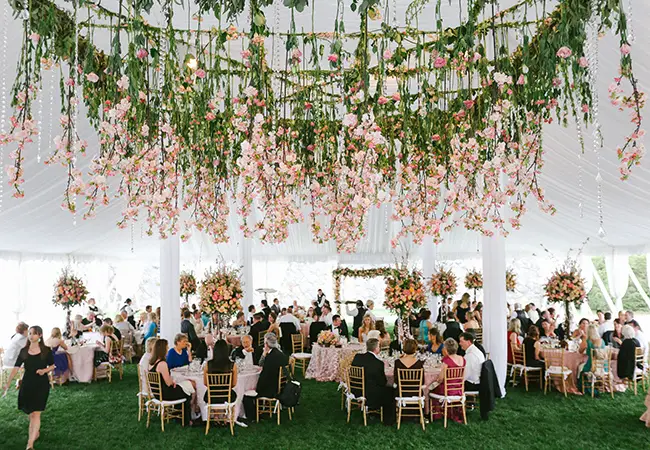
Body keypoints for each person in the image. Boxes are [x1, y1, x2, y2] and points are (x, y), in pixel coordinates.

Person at [2, 326, 56, 450]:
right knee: (31, 413)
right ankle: (35, 432)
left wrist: (44, 370)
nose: (31, 336)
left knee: (36, 414)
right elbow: (16, 367)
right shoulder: (24, 351)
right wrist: (8, 383)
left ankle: (30, 444)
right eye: (30, 333)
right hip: (27, 384)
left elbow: (53, 366)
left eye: (35, 334)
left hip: (41, 384)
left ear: (40, 335)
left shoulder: (46, 350)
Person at [243, 333, 289, 419]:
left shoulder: (271, 357)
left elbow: (264, 376)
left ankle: (253, 416)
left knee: (246, 395)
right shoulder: (281, 354)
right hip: (282, 386)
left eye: (264, 343)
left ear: (267, 344)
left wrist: (257, 388)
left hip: (271, 389)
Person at [349, 338, 395, 425]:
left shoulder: (357, 357)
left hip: (355, 390)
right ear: (376, 348)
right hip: (369, 394)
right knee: (390, 390)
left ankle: (373, 411)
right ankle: (388, 419)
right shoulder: (378, 363)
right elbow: (383, 382)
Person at [149, 339, 192, 425]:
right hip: (165, 393)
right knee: (188, 392)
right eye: (166, 347)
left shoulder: (152, 363)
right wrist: (173, 382)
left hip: (157, 392)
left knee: (183, 388)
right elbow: (168, 383)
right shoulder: (162, 364)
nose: (168, 349)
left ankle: (177, 415)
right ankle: (186, 420)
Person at [430, 338, 466, 423]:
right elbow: (463, 377)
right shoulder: (463, 359)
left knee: (430, 388)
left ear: (446, 349)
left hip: (447, 391)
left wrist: (436, 381)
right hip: (458, 390)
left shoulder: (446, 361)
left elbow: (440, 379)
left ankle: (435, 413)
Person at [203, 339, 238, 404]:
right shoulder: (232, 365)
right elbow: (234, 384)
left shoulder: (208, 364)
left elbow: (205, 383)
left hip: (211, 395)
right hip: (228, 395)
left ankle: (214, 412)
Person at [578, 324, 606, 392]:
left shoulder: (588, 341)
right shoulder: (602, 341)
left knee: (579, 368)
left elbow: (583, 352)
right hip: (603, 366)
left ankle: (585, 388)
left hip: (592, 366)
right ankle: (598, 385)